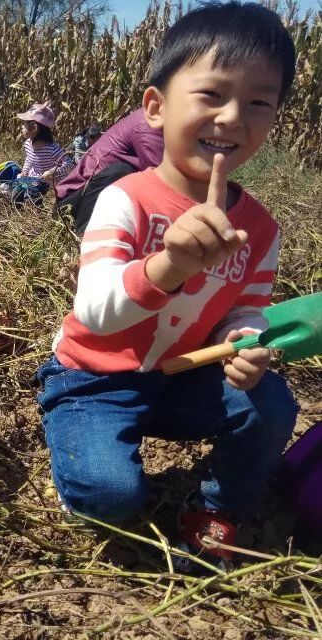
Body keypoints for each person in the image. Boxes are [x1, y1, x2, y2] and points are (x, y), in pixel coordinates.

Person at [35, 2, 299, 573]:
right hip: (95, 378)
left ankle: (216, 507)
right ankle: (76, 450)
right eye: (211, 95)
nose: (232, 117)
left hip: (185, 375)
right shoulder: (125, 199)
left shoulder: (260, 229)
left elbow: (247, 308)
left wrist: (246, 341)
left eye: (259, 102)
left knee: (272, 404)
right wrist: (168, 265)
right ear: (155, 107)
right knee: (110, 500)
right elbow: (97, 311)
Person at [55, 109, 164, 235]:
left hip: (88, 195)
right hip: (72, 205)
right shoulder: (148, 124)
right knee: (122, 172)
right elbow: (162, 179)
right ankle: (84, 235)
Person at [17, 102, 74, 182]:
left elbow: (68, 164)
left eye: (25, 124)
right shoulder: (28, 144)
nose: (22, 127)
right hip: (35, 177)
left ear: (34, 128)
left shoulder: (52, 149)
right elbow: (29, 159)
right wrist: (25, 171)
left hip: (49, 181)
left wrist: (51, 172)